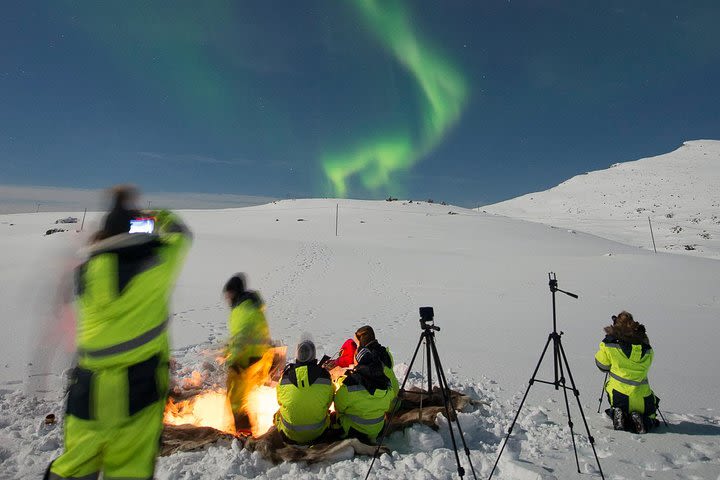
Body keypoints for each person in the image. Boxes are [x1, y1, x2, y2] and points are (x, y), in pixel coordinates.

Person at [47, 185, 192, 480]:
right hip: (137, 389)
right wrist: (156, 215)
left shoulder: (84, 273)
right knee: (129, 469)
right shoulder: (156, 262)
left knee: (74, 468)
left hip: (87, 391)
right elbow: (181, 234)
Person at [595, 311, 659, 434]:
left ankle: (617, 413)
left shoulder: (611, 346)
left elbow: (601, 365)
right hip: (643, 398)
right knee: (651, 416)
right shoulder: (646, 350)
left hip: (619, 395)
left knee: (611, 388)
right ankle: (643, 420)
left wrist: (607, 341)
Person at [223, 273, 272, 430]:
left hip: (249, 357)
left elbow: (241, 337)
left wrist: (233, 360)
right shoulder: (249, 306)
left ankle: (244, 431)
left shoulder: (242, 309)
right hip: (257, 355)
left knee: (236, 396)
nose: (227, 298)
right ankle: (246, 425)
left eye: (229, 294)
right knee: (242, 393)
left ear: (235, 292)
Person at [274, 338, 334, 444]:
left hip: (289, 434)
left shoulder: (285, 378)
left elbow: (279, 401)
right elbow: (329, 402)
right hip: (318, 433)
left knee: (277, 415)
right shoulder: (325, 378)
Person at [333, 344, 395, 444]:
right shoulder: (385, 381)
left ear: (357, 361)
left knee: (335, 417)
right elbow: (390, 401)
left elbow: (339, 405)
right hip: (377, 430)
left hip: (355, 431)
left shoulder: (351, 383)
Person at [354, 325, 399, 402]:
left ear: (361, 340)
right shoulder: (384, 351)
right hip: (394, 391)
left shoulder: (368, 356)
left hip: (386, 398)